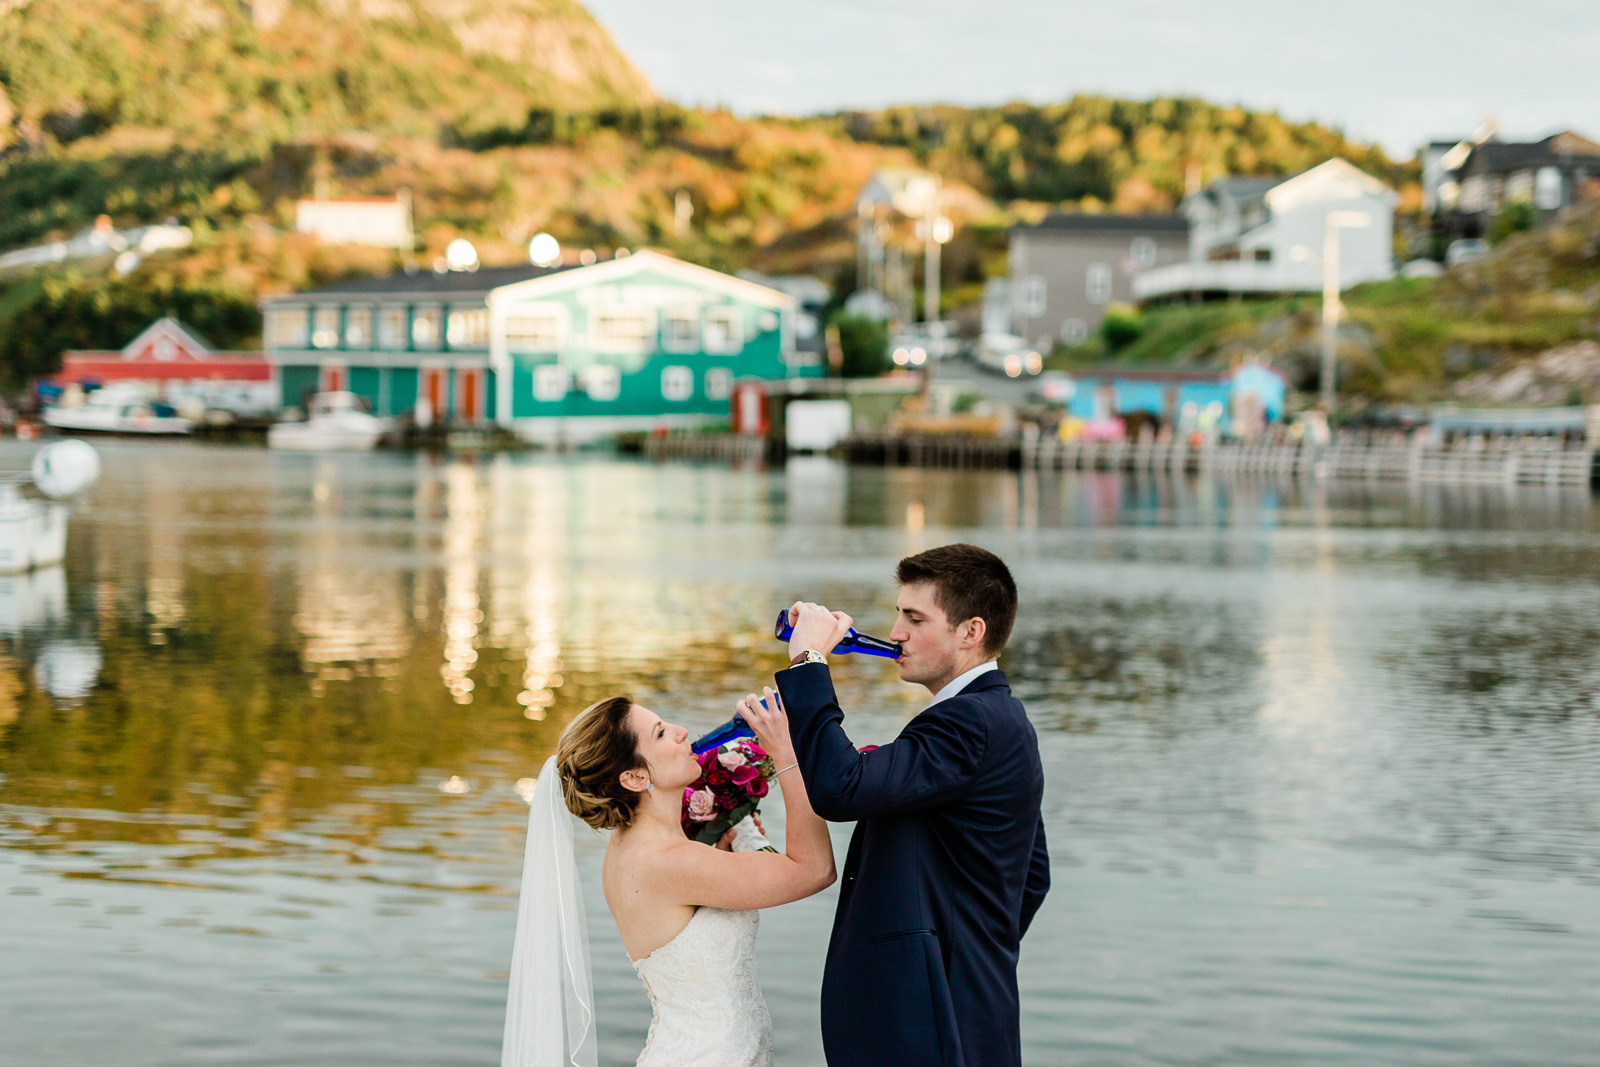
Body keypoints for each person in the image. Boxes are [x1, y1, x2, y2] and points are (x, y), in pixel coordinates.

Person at [774, 543, 1049, 1067]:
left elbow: (842, 787)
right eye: (899, 613)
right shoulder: (1004, 720)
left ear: (970, 632)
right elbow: (1032, 875)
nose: (896, 631)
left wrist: (808, 661)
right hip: (966, 1013)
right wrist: (974, 954)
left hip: (930, 1026)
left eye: (914, 617)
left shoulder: (969, 722)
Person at [501, 691, 834, 1067]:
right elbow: (815, 870)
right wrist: (788, 755)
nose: (681, 732)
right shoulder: (668, 861)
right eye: (660, 733)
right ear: (634, 777)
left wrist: (728, 845)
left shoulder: (633, 847)